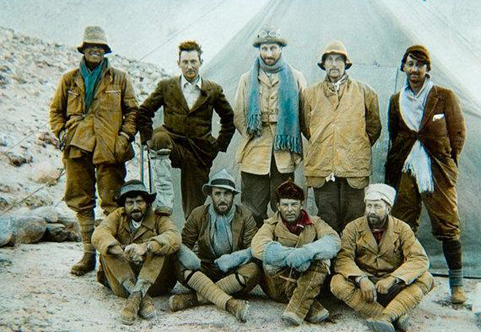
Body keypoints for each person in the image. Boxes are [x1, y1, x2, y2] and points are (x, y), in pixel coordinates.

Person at [49, 26, 138, 276]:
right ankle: (88, 255)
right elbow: (55, 112)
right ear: (84, 49)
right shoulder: (69, 79)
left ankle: (108, 261)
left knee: (112, 202)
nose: (95, 50)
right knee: (81, 201)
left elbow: (133, 111)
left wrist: (124, 137)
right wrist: (61, 132)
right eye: (91, 46)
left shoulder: (119, 78)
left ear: (105, 50)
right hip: (77, 147)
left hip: (110, 148)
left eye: (100, 47)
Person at [385, 45, 467, 303]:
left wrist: (447, 163)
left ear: (427, 69)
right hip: (406, 168)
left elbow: (458, 134)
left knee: (448, 224)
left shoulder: (444, 96)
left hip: (436, 170)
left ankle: (457, 285)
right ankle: (405, 279)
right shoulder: (396, 100)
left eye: (419, 65)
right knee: (403, 224)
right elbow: (394, 134)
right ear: (404, 67)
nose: (414, 70)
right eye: (409, 64)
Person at [137, 40, 235, 218]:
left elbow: (229, 118)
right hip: (171, 143)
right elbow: (144, 111)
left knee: (194, 208)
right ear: (178, 64)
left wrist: (218, 145)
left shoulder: (213, 89)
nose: (190, 66)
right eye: (185, 62)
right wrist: (147, 140)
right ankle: (164, 199)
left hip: (199, 152)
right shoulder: (167, 86)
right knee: (159, 137)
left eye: (193, 62)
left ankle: (192, 239)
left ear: (200, 62)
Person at [301, 40, 381, 233]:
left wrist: (354, 145)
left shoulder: (365, 92)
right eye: (330, 59)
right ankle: (330, 260)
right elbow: (306, 127)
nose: (334, 64)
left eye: (339, 59)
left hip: (353, 166)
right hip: (322, 165)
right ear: (323, 64)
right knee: (326, 217)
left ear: (346, 63)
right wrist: (326, 143)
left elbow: (374, 127)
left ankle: (349, 259)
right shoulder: (309, 94)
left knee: (353, 217)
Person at [330, 184, 434, 332]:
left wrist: (393, 278)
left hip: (392, 286)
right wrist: (361, 279)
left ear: (388, 208)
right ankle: (391, 315)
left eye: (377, 206)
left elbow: (419, 259)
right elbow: (343, 258)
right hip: (366, 287)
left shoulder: (402, 229)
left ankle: (386, 317)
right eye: (369, 206)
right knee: (337, 282)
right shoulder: (353, 227)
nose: (371, 211)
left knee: (427, 278)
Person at [234, 26, 307, 227]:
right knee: (252, 207)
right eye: (264, 49)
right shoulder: (247, 79)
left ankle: (281, 244)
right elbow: (239, 114)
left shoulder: (296, 77)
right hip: (255, 147)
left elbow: (303, 114)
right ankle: (252, 248)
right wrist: (254, 132)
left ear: (281, 49)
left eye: (273, 48)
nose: (268, 54)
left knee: (284, 204)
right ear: (259, 50)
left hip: (284, 148)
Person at [168, 169, 260, 322]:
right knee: (178, 262)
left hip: (232, 271)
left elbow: (254, 249)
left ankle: (194, 298)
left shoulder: (245, 215)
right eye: (217, 194)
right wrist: (189, 257)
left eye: (227, 194)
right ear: (210, 195)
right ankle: (231, 303)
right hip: (205, 268)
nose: (222, 199)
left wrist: (235, 258)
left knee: (254, 269)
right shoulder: (198, 213)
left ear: (233, 196)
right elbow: (184, 244)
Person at [251, 179, 341, 326]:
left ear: (301, 205)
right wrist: (291, 256)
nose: (290, 209)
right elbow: (257, 246)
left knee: (322, 261)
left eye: (294, 204)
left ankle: (295, 311)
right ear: (278, 206)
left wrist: (307, 252)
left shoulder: (315, 222)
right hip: (279, 284)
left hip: (305, 278)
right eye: (285, 205)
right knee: (269, 264)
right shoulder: (270, 224)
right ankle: (310, 307)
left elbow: (334, 241)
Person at [91, 180, 181, 325]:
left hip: (154, 283)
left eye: (139, 202)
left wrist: (146, 247)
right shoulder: (117, 216)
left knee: (159, 248)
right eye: (129, 203)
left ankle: (135, 297)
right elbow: (99, 234)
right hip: (123, 281)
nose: (135, 207)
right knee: (107, 249)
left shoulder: (159, 218)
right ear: (124, 205)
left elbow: (174, 236)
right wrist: (122, 251)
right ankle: (139, 296)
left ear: (147, 203)